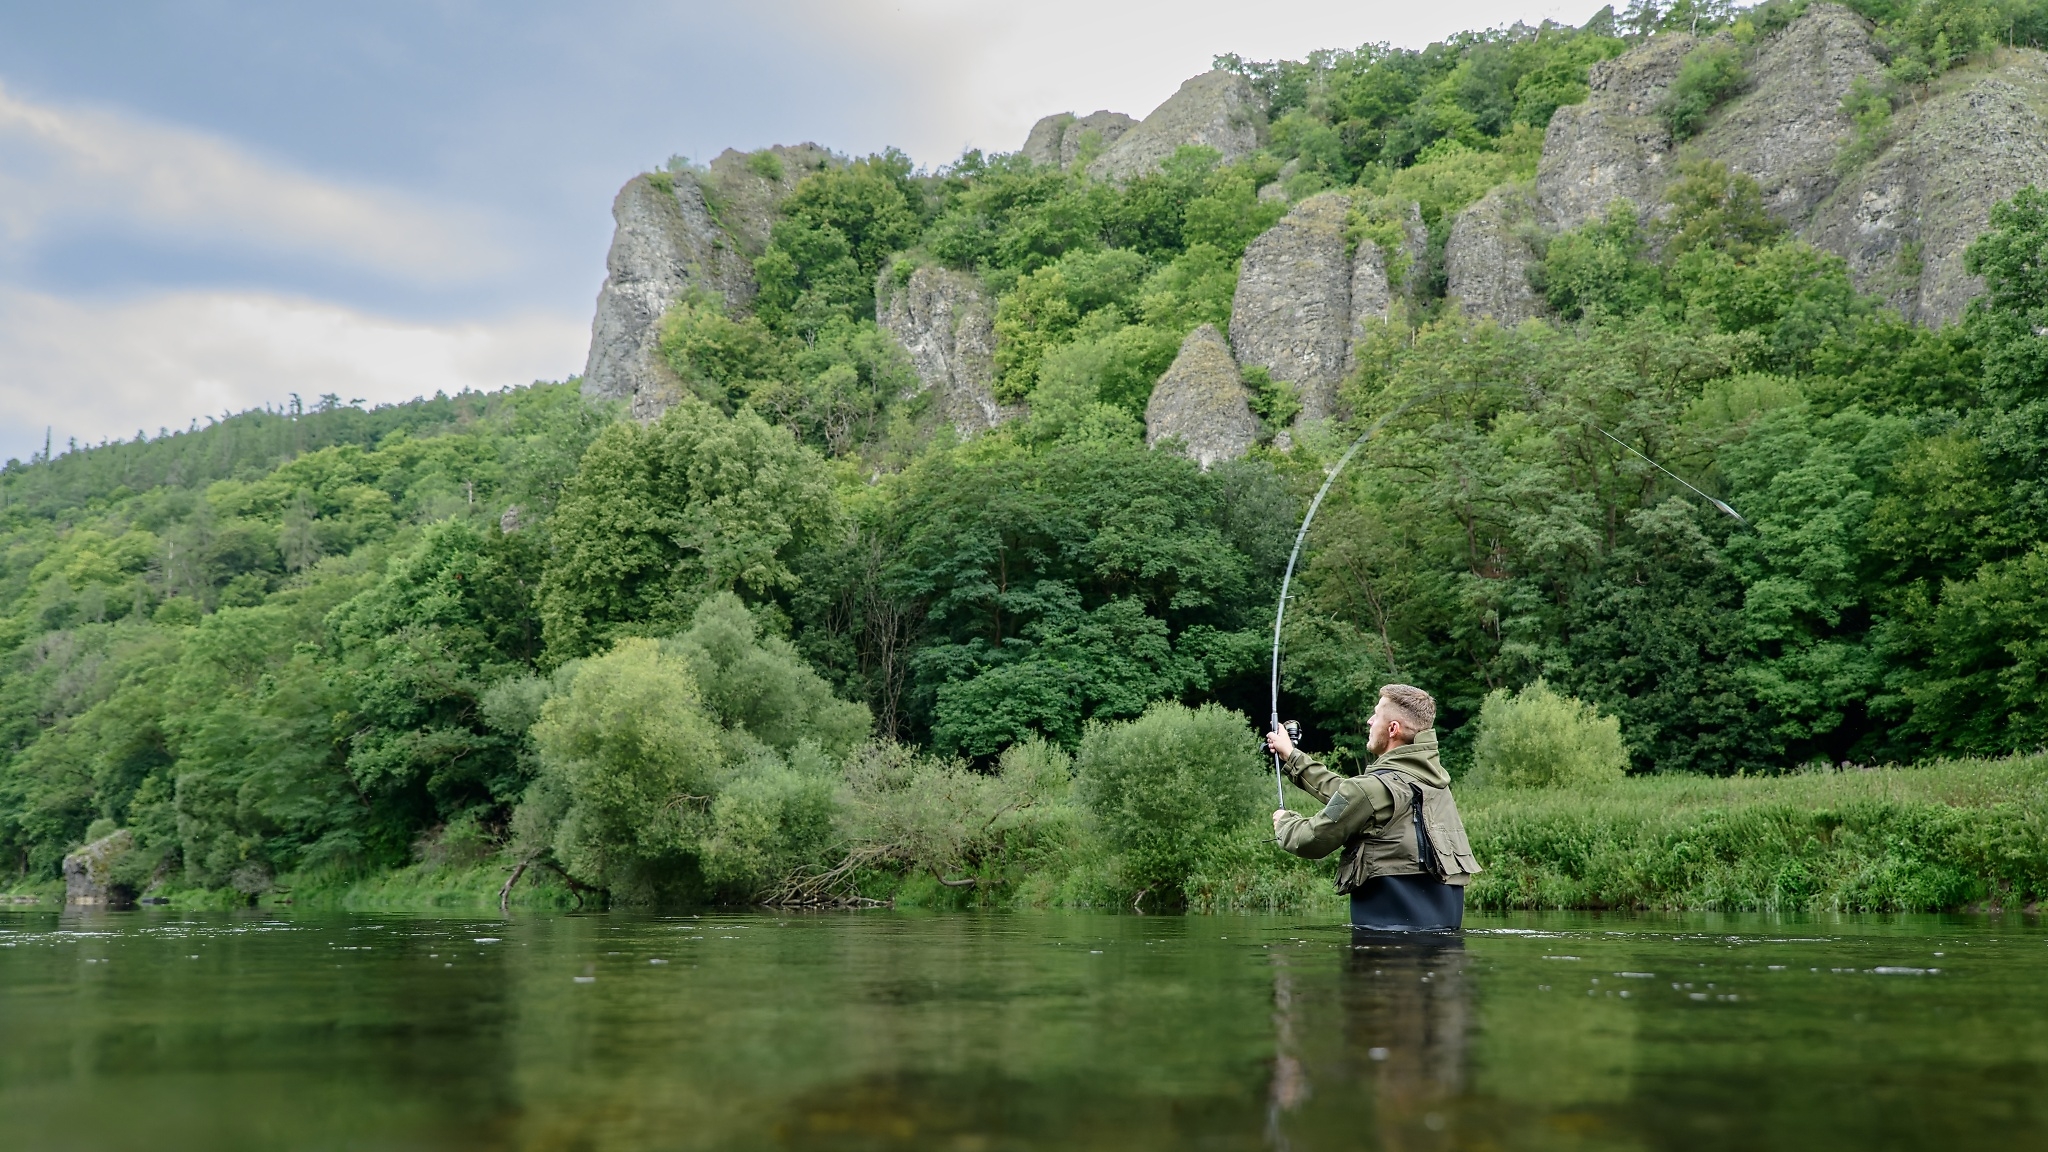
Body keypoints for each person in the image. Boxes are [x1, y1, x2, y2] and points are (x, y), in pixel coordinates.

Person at [1267, 684, 1480, 931]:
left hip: (1387, 943)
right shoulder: (1435, 784)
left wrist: (1285, 822)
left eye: (1376, 715)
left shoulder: (1372, 790)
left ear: (1393, 729)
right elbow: (1353, 797)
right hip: (1444, 946)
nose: (1369, 721)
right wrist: (1292, 756)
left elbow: (1312, 839)